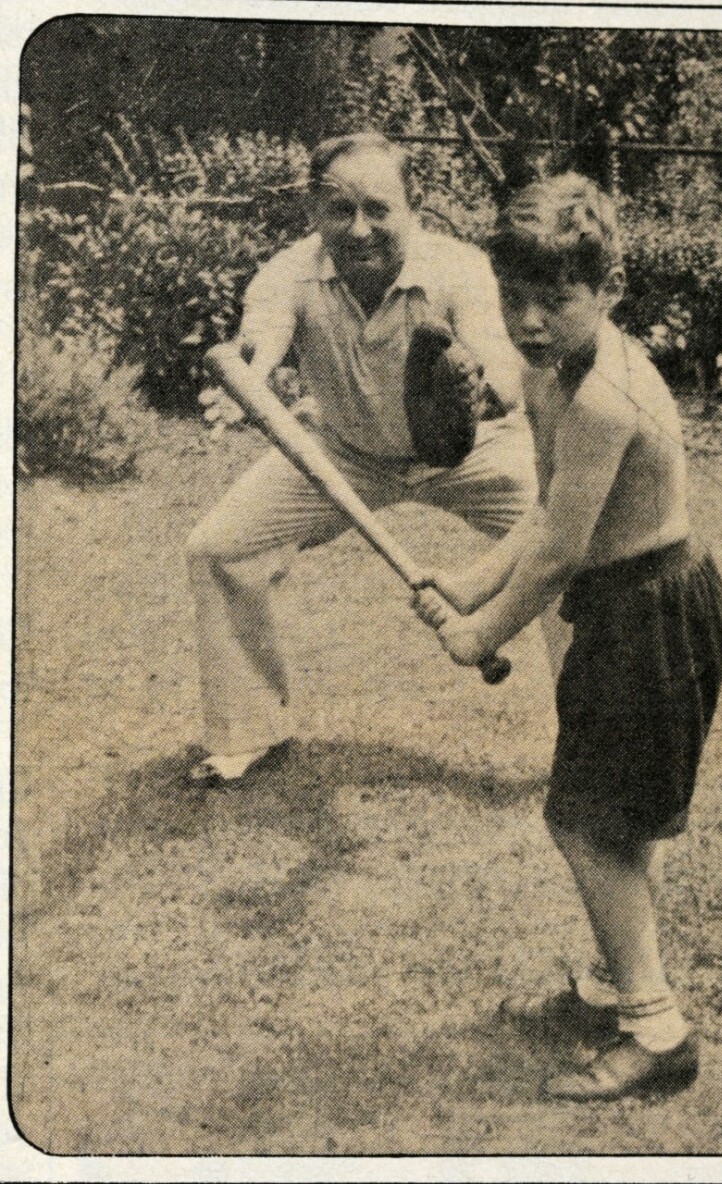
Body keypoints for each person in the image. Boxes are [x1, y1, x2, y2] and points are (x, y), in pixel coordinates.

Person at [413, 172, 722, 1101]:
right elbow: (547, 512)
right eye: (516, 298)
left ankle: (656, 1029)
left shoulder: (604, 399)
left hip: (655, 613)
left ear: (611, 290)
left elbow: (556, 554)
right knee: (611, 815)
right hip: (619, 606)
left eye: (559, 298)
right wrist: (470, 580)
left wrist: (479, 635)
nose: (533, 320)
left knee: (587, 824)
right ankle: (609, 984)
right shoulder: (549, 374)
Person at [186, 133, 538, 784]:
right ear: (313, 213)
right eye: (338, 210)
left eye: (378, 209)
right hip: (343, 452)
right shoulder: (288, 273)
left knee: (576, 549)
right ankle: (246, 733)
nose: (359, 229)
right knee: (220, 547)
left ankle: (598, 747)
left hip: (472, 452)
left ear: (415, 206)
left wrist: (480, 391)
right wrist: (252, 372)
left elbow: (502, 368)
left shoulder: (459, 268)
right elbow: (260, 342)